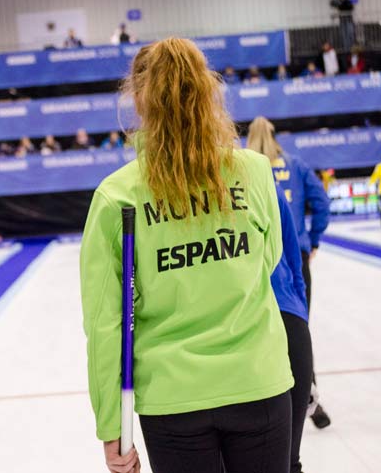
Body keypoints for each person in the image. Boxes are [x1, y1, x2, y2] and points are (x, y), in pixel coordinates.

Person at [81, 38, 293, 473]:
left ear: (139, 102)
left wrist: (112, 427)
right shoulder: (253, 171)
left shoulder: (117, 195)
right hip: (258, 382)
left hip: (173, 398)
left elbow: (106, 323)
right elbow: (268, 260)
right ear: (207, 92)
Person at [246, 116, 332, 430]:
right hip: (293, 261)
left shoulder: (241, 168)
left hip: (252, 266)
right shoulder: (294, 165)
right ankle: (311, 399)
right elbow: (322, 202)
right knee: (298, 330)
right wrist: (313, 238)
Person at [272, 185, 313, 473]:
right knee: (287, 460)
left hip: (281, 317)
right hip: (289, 317)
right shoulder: (263, 179)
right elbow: (294, 254)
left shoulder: (261, 179)